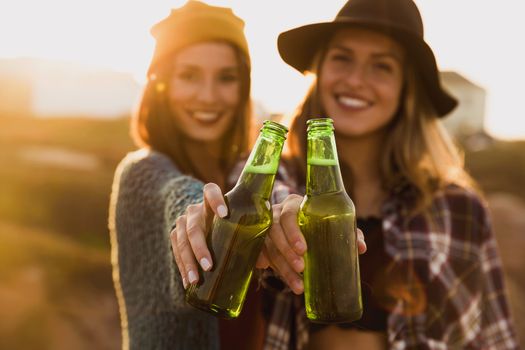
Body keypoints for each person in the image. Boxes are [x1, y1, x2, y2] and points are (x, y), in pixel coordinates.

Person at [172, 0, 520, 349]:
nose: (355, 80)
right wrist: (245, 227)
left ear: (406, 89)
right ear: (319, 68)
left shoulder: (460, 209)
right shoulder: (262, 182)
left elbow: (493, 338)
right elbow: (268, 205)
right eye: (342, 57)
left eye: (382, 66)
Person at [108, 1, 265, 349]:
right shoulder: (142, 173)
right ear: (161, 84)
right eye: (188, 76)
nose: (208, 96)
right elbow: (178, 198)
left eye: (226, 78)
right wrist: (203, 214)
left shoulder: (249, 175)